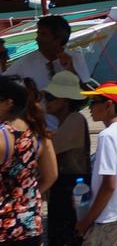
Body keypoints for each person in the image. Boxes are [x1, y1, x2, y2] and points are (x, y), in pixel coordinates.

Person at [1, 74, 59, 245]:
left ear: (8, 103)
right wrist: (25, 200)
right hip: (29, 224)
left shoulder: (3, 135)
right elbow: (51, 176)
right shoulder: (39, 133)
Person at [75, 85, 117, 246]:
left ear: (109, 105)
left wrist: (87, 221)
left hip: (108, 216)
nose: (90, 107)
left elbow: (109, 185)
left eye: (94, 101)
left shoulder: (107, 136)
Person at [40, 74, 87, 246]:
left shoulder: (75, 119)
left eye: (51, 97)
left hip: (72, 188)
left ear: (65, 100)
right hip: (66, 187)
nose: (47, 102)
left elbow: (50, 148)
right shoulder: (66, 121)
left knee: (66, 238)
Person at [3, 18, 88, 93]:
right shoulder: (26, 61)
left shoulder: (75, 58)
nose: (37, 38)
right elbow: (3, 82)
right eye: (38, 33)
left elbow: (84, 91)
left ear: (58, 39)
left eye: (43, 34)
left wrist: (71, 70)